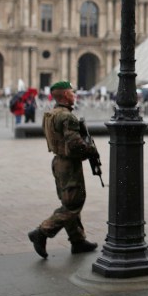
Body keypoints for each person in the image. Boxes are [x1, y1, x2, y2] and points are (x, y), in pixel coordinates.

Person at [28, 81, 99, 259]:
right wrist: (91, 150)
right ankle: (42, 232)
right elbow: (76, 145)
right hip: (69, 165)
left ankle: (78, 241)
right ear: (66, 95)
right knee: (73, 204)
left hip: (58, 162)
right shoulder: (68, 117)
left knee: (69, 202)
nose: (74, 95)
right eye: (72, 93)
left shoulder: (50, 115)